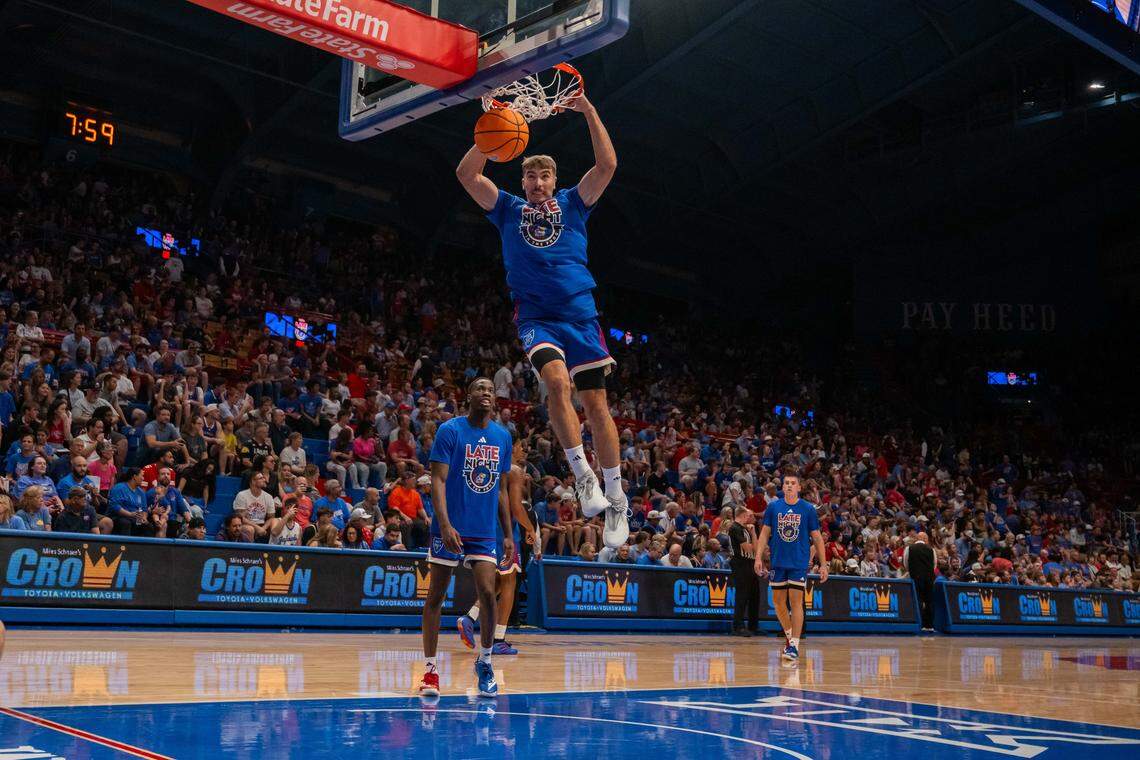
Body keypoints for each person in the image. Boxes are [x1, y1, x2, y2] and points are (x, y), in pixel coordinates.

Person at [456, 92, 630, 549]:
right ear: (523, 179)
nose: (537, 181)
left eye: (544, 174)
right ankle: (583, 477)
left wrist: (590, 110)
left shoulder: (574, 203)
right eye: (530, 175)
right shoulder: (508, 209)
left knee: (597, 408)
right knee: (556, 384)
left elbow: (608, 165)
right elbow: (466, 174)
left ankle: (616, 497)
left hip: (581, 314)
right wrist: (494, 131)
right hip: (537, 317)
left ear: (554, 181)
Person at [419, 378, 513, 700]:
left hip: (484, 530)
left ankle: (484, 662)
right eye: (479, 388)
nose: (486, 392)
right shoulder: (450, 431)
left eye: (490, 389)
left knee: (488, 593)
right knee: (436, 596)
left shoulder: (503, 437)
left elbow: (502, 491)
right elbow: (438, 480)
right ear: (467, 395)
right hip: (450, 526)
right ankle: (430, 670)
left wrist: (509, 534)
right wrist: (444, 524)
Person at [457, 437, 540, 656]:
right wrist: (531, 529)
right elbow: (515, 507)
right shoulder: (514, 470)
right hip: (503, 530)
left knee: (497, 582)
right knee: (510, 580)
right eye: (521, 447)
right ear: (511, 447)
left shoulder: (487, 466)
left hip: (482, 526)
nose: (524, 451)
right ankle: (498, 639)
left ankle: (469, 617)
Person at [753, 470, 828, 662]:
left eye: (793, 483)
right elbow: (764, 534)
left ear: (799, 487)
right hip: (778, 561)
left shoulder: (808, 509)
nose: (789, 485)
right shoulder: (774, 507)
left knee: (795, 602)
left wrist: (823, 564)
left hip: (798, 562)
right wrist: (758, 557)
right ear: (782, 486)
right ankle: (790, 637)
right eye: (786, 482)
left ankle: (794, 644)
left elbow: (817, 538)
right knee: (778, 602)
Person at [729, 506, 759, 637]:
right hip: (740, 564)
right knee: (742, 596)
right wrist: (752, 537)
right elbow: (748, 549)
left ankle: (753, 626)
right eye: (748, 515)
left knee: (755, 596)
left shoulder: (746, 529)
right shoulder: (735, 528)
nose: (750, 518)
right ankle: (738, 626)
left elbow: (757, 549)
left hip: (750, 564)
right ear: (742, 515)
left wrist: (752, 533)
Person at [904, 531, 937, 632]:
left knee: (917, 599)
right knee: (929, 601)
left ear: (917, 539)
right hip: (929, 578)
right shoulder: (932, 549)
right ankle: (929, 626)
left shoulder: (909, 548)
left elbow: (906, 564)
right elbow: (934, 565)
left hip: (915, 577)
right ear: (925, 539)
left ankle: (917, 624)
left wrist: (913, 571)